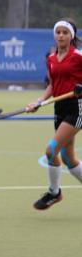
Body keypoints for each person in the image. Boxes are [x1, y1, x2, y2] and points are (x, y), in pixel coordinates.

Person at [26, 19, 82, 211]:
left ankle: (54, 192)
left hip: (77, 108)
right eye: (58, 32)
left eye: (65, 32)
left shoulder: (78, 56)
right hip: (60, 108)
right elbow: (52, 85)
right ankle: (54, 192)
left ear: (71, 36)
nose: (61, 36)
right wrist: (39, 101)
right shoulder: (50, 58)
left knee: (51, 151)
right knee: (68, 159)